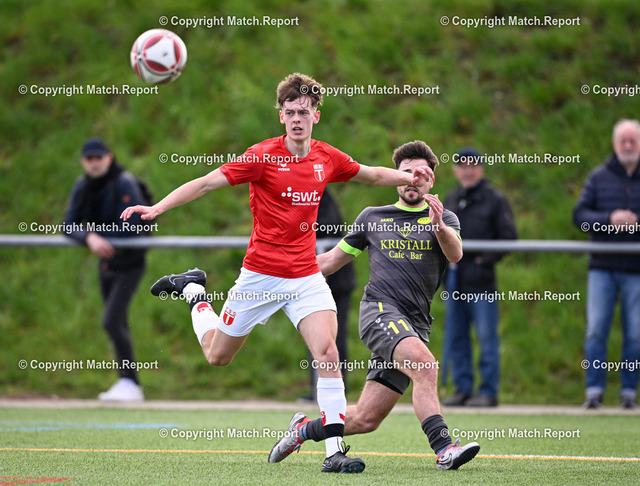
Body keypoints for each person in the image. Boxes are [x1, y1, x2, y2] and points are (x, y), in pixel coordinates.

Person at [120, 73, 432, 473]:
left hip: (304, 276)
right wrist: (158, 208)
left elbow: (371, 174)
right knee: (217, 356)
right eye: (290, 112)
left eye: (304, 111)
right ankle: (194, 292)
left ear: (316, 115)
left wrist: (409, 178)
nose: (297, 118)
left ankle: (334, 452)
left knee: (328, 353)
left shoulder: (326, 158)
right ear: (281, 115)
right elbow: (206, 183)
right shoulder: (262, 156)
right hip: (260, 276)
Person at [268, 140, 480, 471]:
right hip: (379, 312)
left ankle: (302, 430)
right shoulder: (373, 217)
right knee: (426, 366)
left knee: (366, 418)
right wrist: (280, 270)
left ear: (431, 181)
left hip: (414, 325)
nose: (413, 180)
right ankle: (445, 450)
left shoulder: (444, 217)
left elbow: (455, 255)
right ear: (395, 177)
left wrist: (438, 225)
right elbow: (330, 261)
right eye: (406, 173)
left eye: (421, 174)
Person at [63, 137, 149, 401]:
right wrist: (89, 237)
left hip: (130, 263)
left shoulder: (124, 183)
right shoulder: (82, 186)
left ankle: (130, 382)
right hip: (106, 263)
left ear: (109, 158)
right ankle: (128, 382)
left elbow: (135, 225)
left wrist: (102, 237)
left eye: (98, 158)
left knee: (111, 321)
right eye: (89, 159)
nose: (94, 163)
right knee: (117, 322)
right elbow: (69, 224)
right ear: (83, 162)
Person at [441, 148, 517, 407]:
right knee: (457, 336)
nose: (468, 171)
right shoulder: (451, 199)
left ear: (481, 169)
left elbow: (508, 237)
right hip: (454, 281)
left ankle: (488, 391)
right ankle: (462, 388)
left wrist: (483, 260)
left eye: (472, 166)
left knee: (486, 337)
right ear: (456, 171)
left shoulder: (495, 200)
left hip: (482, 281)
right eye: (463, 166)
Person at [573, 119, 640, 410]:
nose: (628, 146)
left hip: (636, 270)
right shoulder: (598, 177)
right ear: (614, 144)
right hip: (602, 268)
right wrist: (609, 220)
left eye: (633, 140)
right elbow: (579, 216)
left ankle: (629, 393)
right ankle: (594, 392)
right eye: (623, 141)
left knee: (636, 333)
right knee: (596, 330)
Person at [301, 188, 356, 402]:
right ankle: (318, 389)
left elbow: (328, 230)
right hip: (311, 280)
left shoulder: (318, 193)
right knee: (313, 336)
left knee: (334, 338)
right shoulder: (299, 192)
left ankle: (337, 391)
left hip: (334, 282)